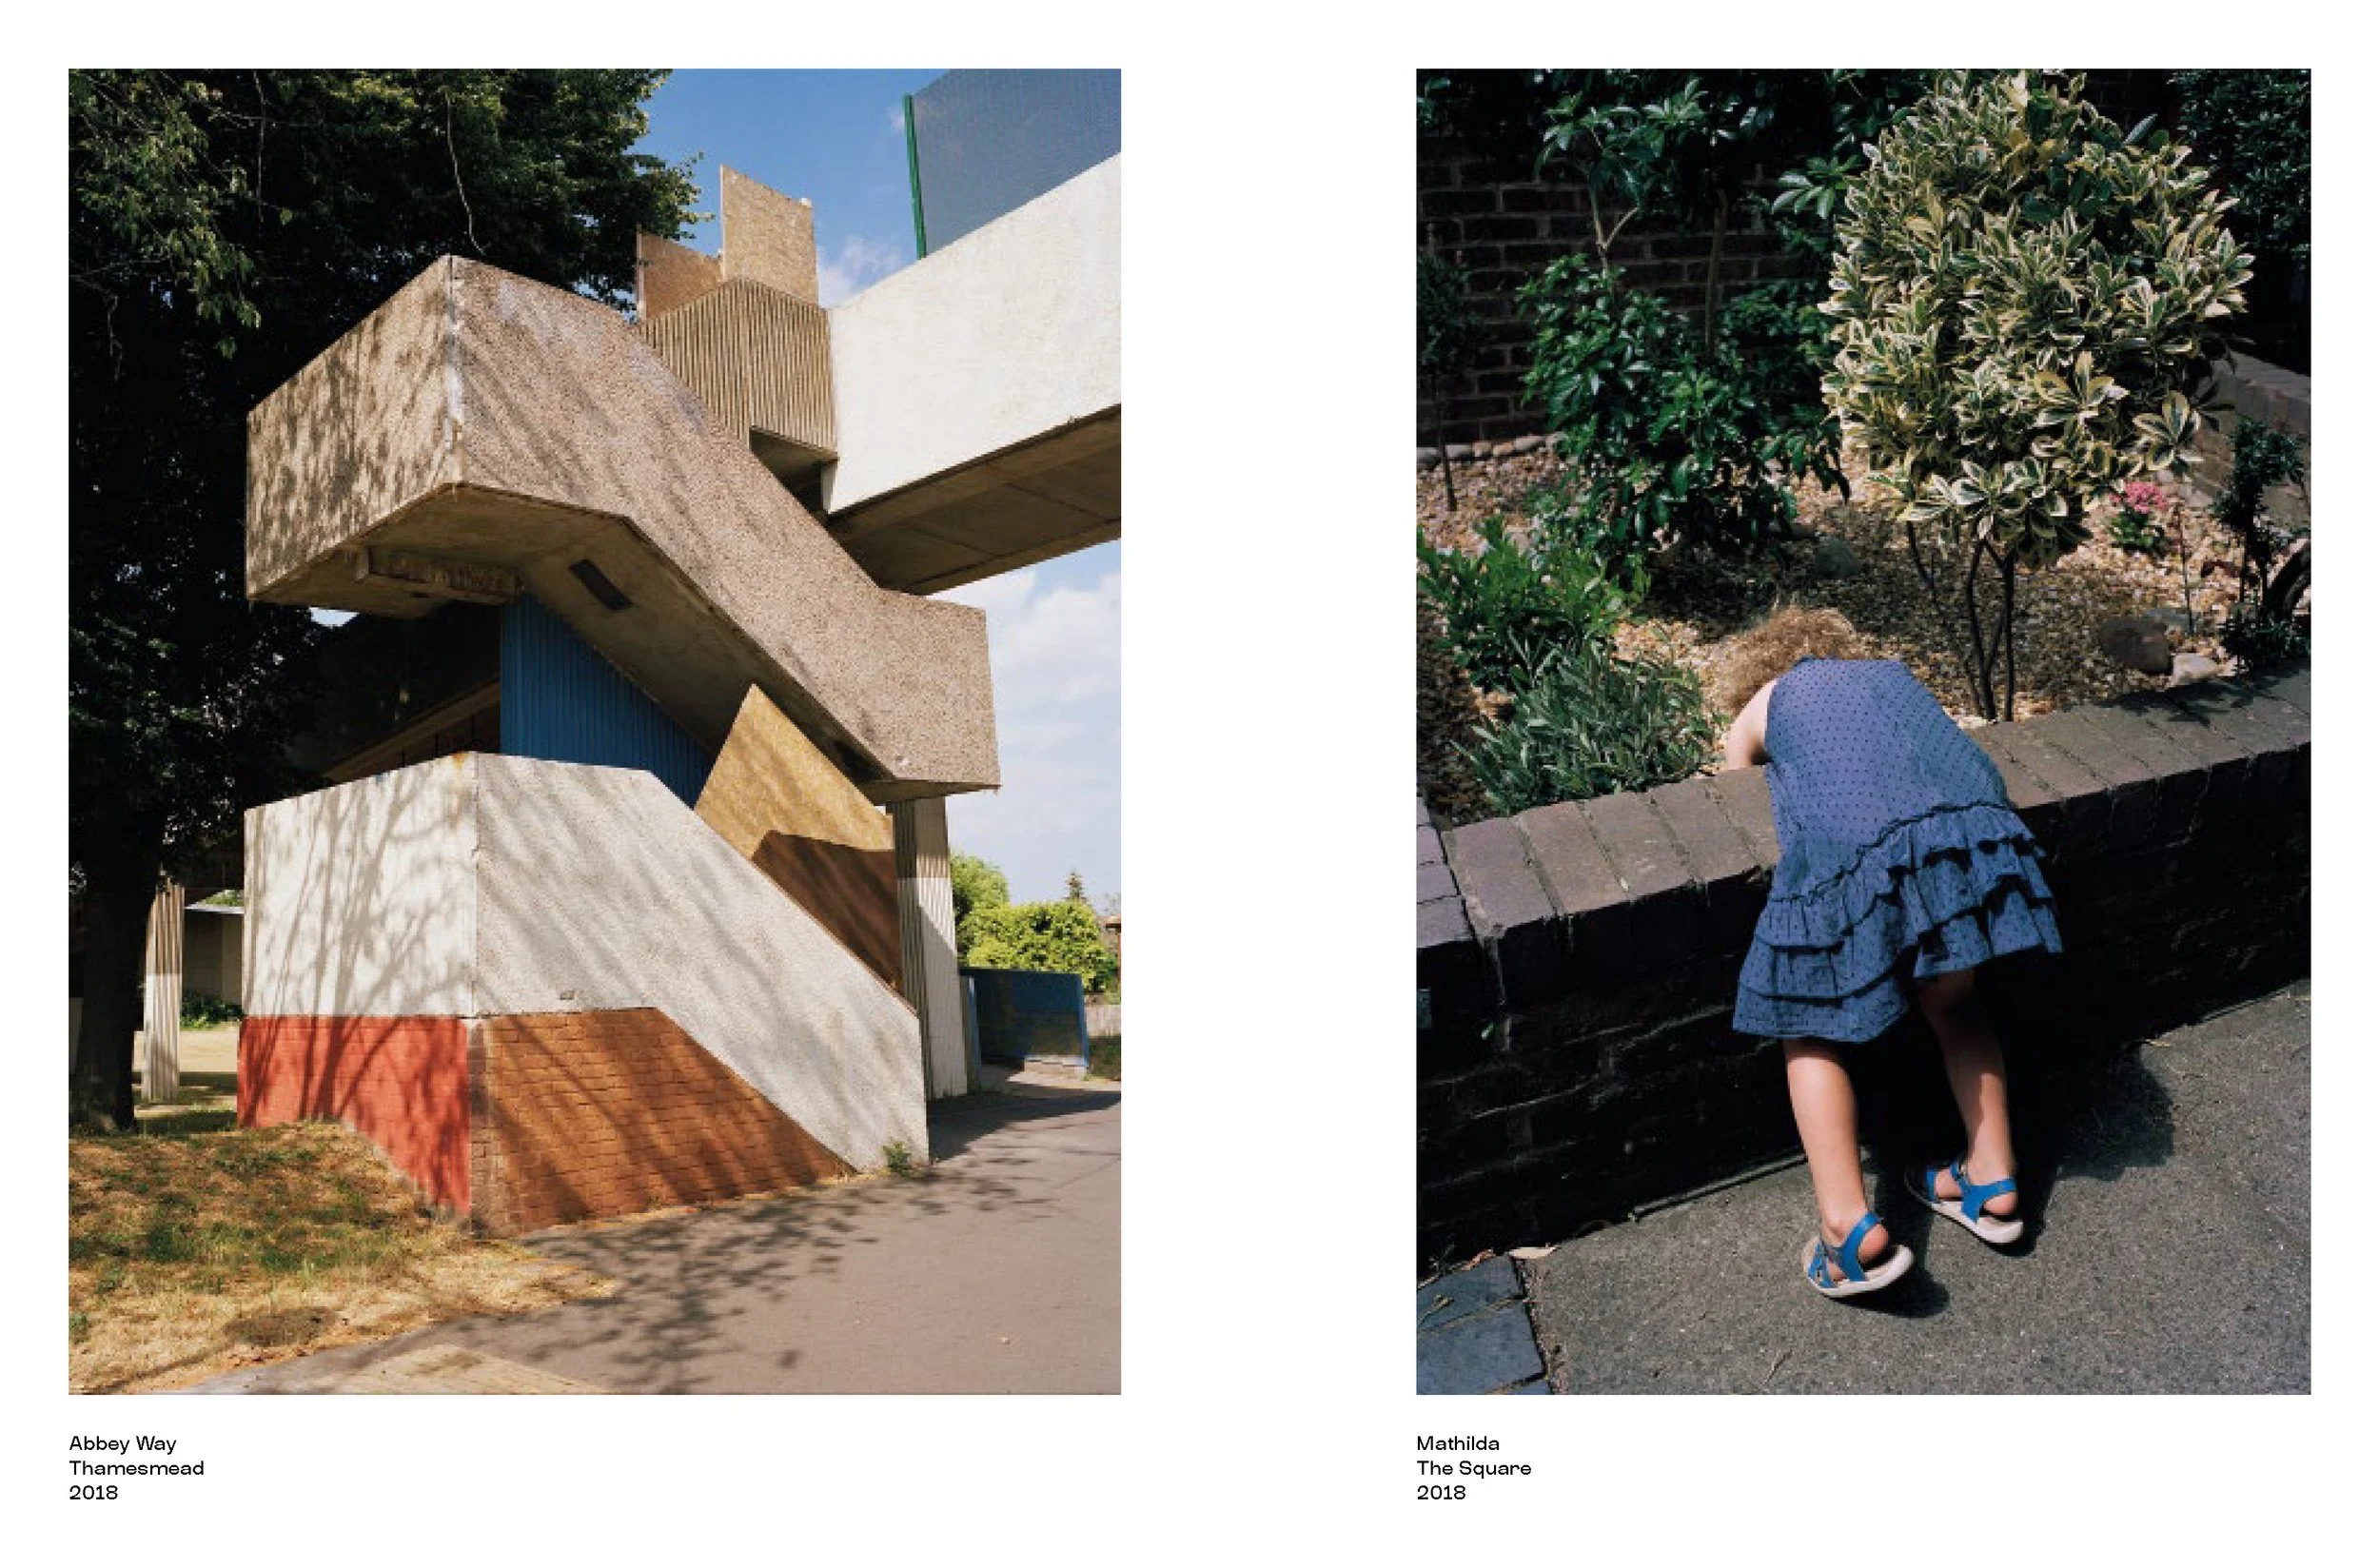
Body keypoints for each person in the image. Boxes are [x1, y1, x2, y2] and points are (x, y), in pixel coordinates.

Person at [1715, 609, 2059, 1298]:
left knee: (1809, 1026)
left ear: (1760, 665)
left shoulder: (1770, 696)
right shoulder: (1891, 673)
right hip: (1968, 830)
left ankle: (1848, 1230)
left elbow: (1732, 775)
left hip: (1862, 845)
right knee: (1956, 1004)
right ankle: (1991, 1180)